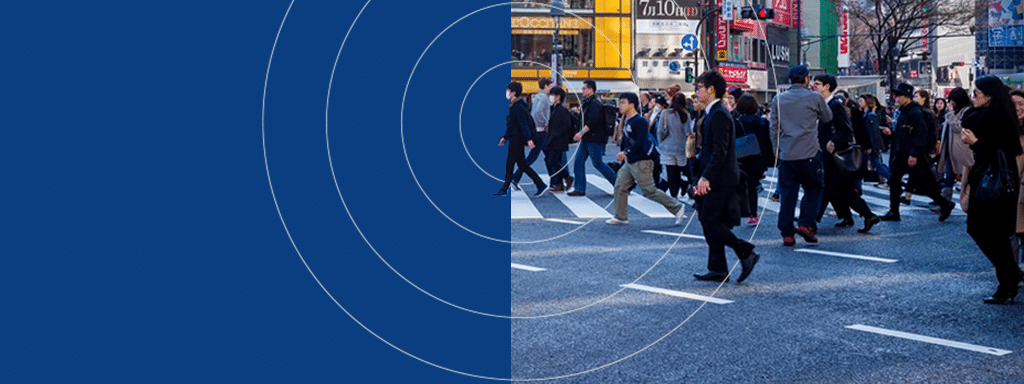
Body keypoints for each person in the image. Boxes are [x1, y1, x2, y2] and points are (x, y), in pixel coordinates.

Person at [691, 70, 760, 283]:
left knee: (709, 219)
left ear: (711, 90)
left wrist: (705, 178)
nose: (696, 92)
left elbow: (720, 150)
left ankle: (744, 251)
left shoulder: (719, 113)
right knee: (711, 220)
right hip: (716, 174)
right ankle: (718, 268)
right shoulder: (713, 112)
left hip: (720, 177)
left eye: (699, 87)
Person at [960, 75, 1024, 304]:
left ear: (988, 94)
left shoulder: (999, 117)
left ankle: (1007, 281)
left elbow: (1003, 150)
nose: (973, 96)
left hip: (998, 181)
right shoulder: (982, 115)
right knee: (980, 230)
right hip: (986, 178)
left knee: (991, 232)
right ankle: (1010, 275)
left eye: (976, 92)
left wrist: (976, 142)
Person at [769, 65, 831, 246]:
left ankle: (787, 233)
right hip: (810, 152)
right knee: (814, 189)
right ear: (806, 79)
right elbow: (828, 117)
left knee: (788, 194)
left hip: (787, 153)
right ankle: (806, 224)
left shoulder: (778, 99)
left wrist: (776, 151)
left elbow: (773, 128)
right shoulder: (815, 98)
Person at [605, 92, 687, 226]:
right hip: (630, 160)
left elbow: (641, 141)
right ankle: (621, 216)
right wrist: (625, 154)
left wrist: (626, 152)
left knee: (649, 191)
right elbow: (627, 141)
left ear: (632, 105)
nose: (620, 105)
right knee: (620, 186)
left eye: (623, 102)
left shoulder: (640, 121)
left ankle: (677, 207)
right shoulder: (628, 120)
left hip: (642, 161)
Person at [812, 74, 880, 233]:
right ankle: (858, 216)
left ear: (827, 86)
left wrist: (834, 141)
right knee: (840, 190)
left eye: (817, 84)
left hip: (835, 154)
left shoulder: (834, 105)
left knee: (827, 188)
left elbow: (845, 130)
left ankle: (811, 221)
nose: (813, 86)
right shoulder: (823, 103)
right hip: (827, 154)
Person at [878, 83, 955, 222]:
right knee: (896, 180)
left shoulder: (915, 112)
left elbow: (921, 134)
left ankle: (945, 204)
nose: (896, 98)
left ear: (907, 97)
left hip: (913, 155)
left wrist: (914, 154)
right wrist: (892, 133)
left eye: (899, 95)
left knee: (925, 184)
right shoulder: (905, 111)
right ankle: (894, 211)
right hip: (904, 153)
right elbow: (905, 133)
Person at [495, 82, 549, 197]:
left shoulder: (518, 107)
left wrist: (529, 139)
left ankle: (504, 189)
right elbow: (513, 125)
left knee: (510, 164)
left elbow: (523, 124)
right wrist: (505, 137)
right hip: (515, 139)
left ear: (513, 93)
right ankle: (540, 184)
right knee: (523, 165)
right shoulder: (516, 105)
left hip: (517, 141)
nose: (507, 93)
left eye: (508, 91)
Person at [568, 79, 618, 196]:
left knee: (598, 163)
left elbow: (593, 121)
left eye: (584, 88)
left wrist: (580, 132)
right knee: (578, 162)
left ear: (591, 89)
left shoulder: (595, 103)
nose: (582, 90)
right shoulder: (588, 102)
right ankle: (579, 188)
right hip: (587, 138)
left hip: (595, 138)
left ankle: (619, 185)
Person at [735, 94, 772, 226]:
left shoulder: (737, 122)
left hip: (743, 158)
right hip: (759, 159)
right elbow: (768, 142)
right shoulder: (763, 122)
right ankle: (752, 214)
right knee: (751, 185)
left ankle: (751, 213)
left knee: (746, 186)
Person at [511, 78, 554, 190]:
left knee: (548, 154)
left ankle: (555, 180)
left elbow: (533, 112)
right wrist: (546, 122)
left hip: (537, 130)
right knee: (532, 157)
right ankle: (516, 177)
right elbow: (538, 112)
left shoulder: (537, 96)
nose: (551, 88)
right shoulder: (544, 97)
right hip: (541, 130)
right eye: (550, 85)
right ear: (546, 86)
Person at [937, 88, 975, 202]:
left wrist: (950, 115)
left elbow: (958, 128)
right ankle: (945, 204)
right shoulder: (956, 111)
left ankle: (968, 201)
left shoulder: (966, 111)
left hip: (961, 150)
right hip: (949, 148)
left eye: (953, 100)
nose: (951, 103)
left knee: (965, 178)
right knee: (949, 177)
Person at [658, 93, 694, 201]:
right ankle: (683, 185)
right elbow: (688, 132)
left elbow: (659, 130)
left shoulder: (665, 113)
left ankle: (674, 196)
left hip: (667, 147)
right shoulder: (685, 115)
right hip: (681, 147)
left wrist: (661, 143)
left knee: (671, 172)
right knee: (680, 170)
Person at [544, 86, 577, 192]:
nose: (551, 97)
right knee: (553, 161)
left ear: (558, 97)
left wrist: (556, 136)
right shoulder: (554, 109)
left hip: (559, 140)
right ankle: (559, 184)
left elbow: (566, 125)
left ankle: (567, 177)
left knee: (552, 161)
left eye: (553, 95)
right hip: (554, 139)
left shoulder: (562, 110)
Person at [860, 95, 890, 188]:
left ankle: (891, 178)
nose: (859, 102)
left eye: (861, 100)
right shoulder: (867, 114)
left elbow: (872, 132)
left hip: (873, 144)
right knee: (876, 163)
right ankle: (889, 178)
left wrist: (870, 145)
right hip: (871, 144)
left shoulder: (870, 115)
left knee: (877, 163)